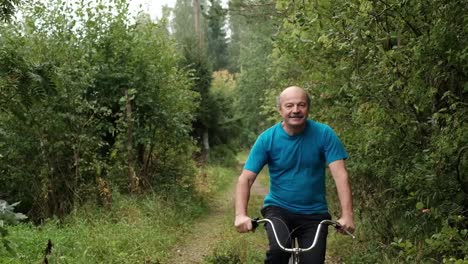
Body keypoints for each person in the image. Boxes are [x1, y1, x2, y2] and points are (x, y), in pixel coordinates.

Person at [234, 86, 354, 263]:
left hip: (315, 214)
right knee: (278, 253)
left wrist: (347, 215)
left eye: (301, 105)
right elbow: (246, 179)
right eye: (289, 105)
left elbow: (340, 175)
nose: (295, 110)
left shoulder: (324, 134)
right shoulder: (267, 139)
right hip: (279, 210)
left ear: (308, 108)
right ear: (280, 109)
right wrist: (240, 215)